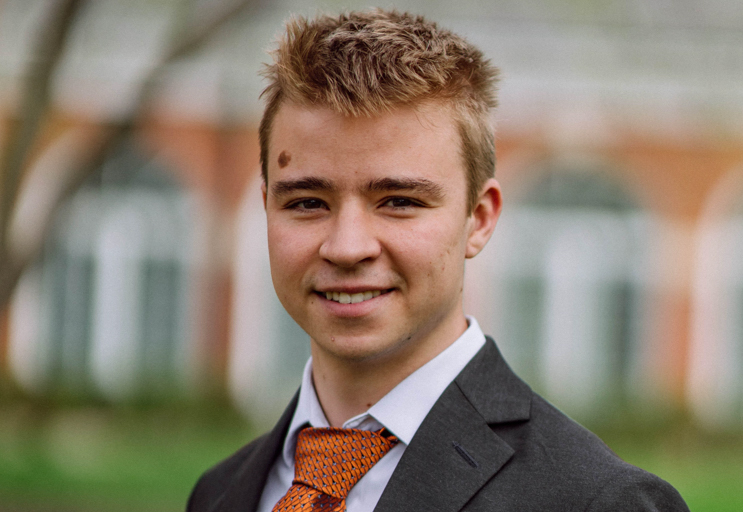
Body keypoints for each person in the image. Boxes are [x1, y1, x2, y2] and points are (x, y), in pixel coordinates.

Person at [187, 9, 689, 512]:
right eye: (307, 203)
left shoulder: (600, 502)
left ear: (479, 218)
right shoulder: (219, 493)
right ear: (267, 206)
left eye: (399, 201)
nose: (346, 247)